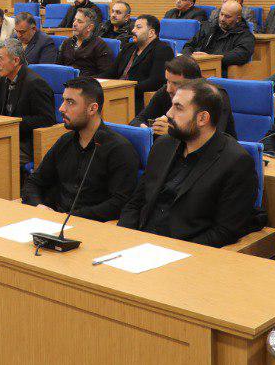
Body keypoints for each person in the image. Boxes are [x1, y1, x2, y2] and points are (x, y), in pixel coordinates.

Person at [119, 81, 262, 247]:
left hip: (186, 250)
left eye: (178, 108)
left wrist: (175, 251)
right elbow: (136, 202)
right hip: (141, 242)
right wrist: (124, 237)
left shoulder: (236, 162)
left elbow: (225, 231)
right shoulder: (163, 145)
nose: (168, 114)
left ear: (202, 118)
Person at [22, 77, 140, 221]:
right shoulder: (65, 142)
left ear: (92, 109)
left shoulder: (120, 150)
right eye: (63, 100)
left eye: (70, 102)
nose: (61, 108)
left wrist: (71, 217)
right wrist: (39, 206)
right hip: (55, 220)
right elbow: (34, 182)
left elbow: (119, 203)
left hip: (92, 225)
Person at [0, 39, 57, 165]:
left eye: (0, 58)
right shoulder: (0, 79)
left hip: (26, 143)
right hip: (3, 136)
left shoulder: (35, 84)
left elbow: (47, 119)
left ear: (16, 60)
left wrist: (12, 124)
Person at [107, 15, 173, 109]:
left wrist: (125, 89)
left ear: (151, 33)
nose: (133, 30)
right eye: (134, 27)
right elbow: (111, 72)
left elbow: (156, 81)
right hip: (117, 93)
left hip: (139, 99)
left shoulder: (163, 50)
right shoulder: (128, 47)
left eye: (138, 27)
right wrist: (92, 80)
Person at [182, 0, 254, 69]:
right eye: (221, 14)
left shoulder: (245, 36)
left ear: (238, 19)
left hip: (222, 71)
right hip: (196, 67)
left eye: (227, 16)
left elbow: (239, 56)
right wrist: (189, 58)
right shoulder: (208, 27)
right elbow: (188, 45)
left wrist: (210, 58)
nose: (222, 19)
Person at [56, 9, 114, 78]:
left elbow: (106, 75)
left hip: (87, 82)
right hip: (65, 81)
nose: (74, 24)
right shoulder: (66, 42)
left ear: (89, 27)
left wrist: (84, 81)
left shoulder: (100, 46)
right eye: (74, 20)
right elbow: (57, 67)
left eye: (79, 21)